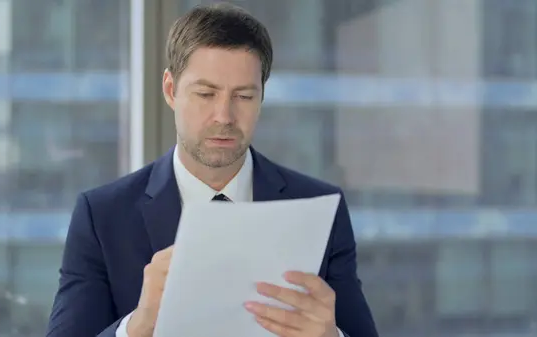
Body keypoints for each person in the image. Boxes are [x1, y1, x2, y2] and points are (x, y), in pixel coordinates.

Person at [46, 3, 378, 337]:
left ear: (261, 97)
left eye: (244, 96)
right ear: (171, 90)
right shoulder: (102, 216)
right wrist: (137, 327)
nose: (224, 116)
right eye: (206, 94)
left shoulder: (320, 207)